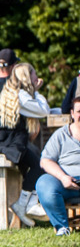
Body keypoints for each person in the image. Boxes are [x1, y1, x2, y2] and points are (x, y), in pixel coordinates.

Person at [0, 61, 49, 224]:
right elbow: (44, 111)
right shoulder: (21, 97)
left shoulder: (14, 93)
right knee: (41, 163)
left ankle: (27, 202)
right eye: (33, 73)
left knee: (36, 159)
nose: (36, 77)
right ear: (27, 77)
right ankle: (25, 202)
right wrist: (37, 92)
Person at [34, 93, 80, 236]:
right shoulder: (61, 135)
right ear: (72, 113)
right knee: (43, 184)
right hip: (67, 182)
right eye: (79, 112)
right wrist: (63, 177)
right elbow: (45, 160)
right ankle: (62, 228)